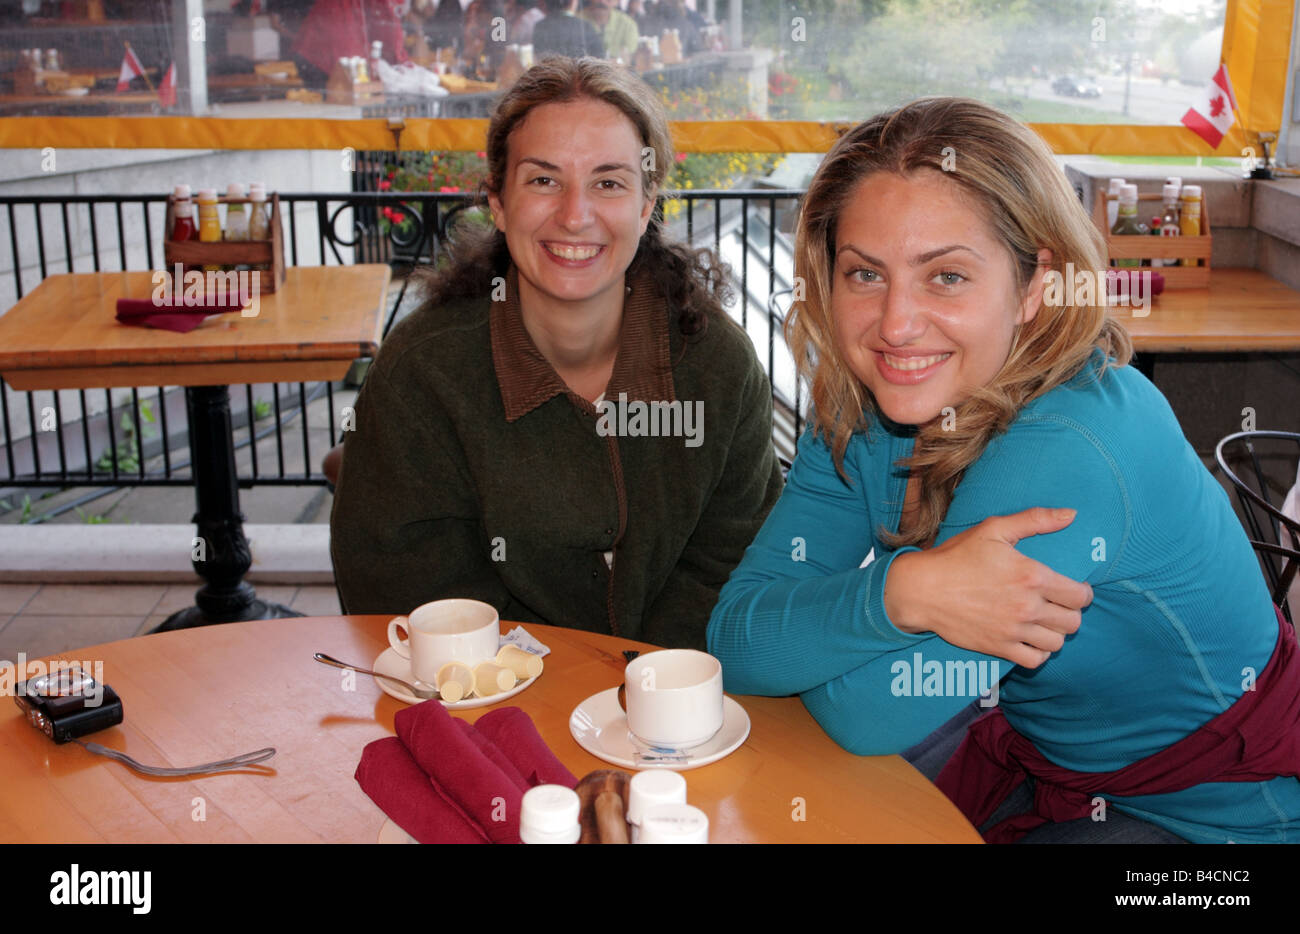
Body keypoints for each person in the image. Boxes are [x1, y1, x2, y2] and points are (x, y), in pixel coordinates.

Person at [707, 97, 1300, 843]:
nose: (895, 324)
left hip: (1223, 826)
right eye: (864, 274)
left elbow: (868, 712)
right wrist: (906, 591)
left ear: (1033, 285)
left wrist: (856, 615)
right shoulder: (865, 408)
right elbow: (734, 639)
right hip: (1053, 769)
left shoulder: (1072, 446)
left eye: (946, 276)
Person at [331, 57, 782, 650]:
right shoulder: (423, 372)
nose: (575, 215)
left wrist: (648, 684)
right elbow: (401, 590)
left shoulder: (717, 364)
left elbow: (741, 562)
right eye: (543, 180)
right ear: (497, 200)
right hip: (490, 711)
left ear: (646, 207)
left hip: (682, 708)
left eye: (609, 182)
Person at [531, 0, 604, 59]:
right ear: (573, 2)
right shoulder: (585, 26)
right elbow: (599, 57)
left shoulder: (540, 26)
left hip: (549, 76)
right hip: (580, 75)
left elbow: (538, 57)